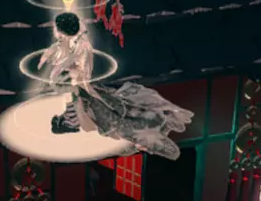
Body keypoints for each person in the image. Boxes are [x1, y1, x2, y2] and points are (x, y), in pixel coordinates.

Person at [37, 12, 194, 160]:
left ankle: (73, 118)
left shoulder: (78, 47)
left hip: (92, 91)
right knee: (89, 101)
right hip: (94, 91)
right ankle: (73, 118)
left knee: (99, 109)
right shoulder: (73, 43)